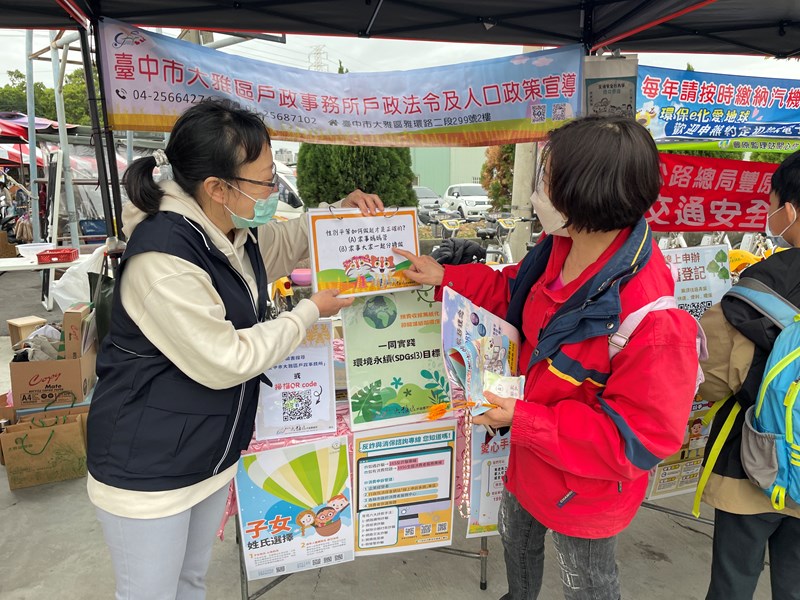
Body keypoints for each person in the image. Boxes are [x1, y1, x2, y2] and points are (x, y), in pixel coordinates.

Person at [86, 98, 382, 600]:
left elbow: (286, 241)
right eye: (266, 181)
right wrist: (309, 311)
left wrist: (337, 214)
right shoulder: (166, 259)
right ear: (218, 188)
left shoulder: (227, 232)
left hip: (204, 453)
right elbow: (227, 360)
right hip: (148, 469)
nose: (274, 192)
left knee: (190, 583)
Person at [396, 115, 700, 599]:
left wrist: (524, 418)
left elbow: (636, 442)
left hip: (586, 489)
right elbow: (511, 290)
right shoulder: (559, 247)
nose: (538, 191)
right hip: (528, 459)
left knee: (589, 585)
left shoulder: (651, 320)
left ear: (585, 192)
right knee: (515, 543)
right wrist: (445, 277)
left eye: (547, 177)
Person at [698, 150, 800, 600]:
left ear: (790, 210)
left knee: (733, 582)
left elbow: (711, 376)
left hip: (755, 463)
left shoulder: (763, 283)